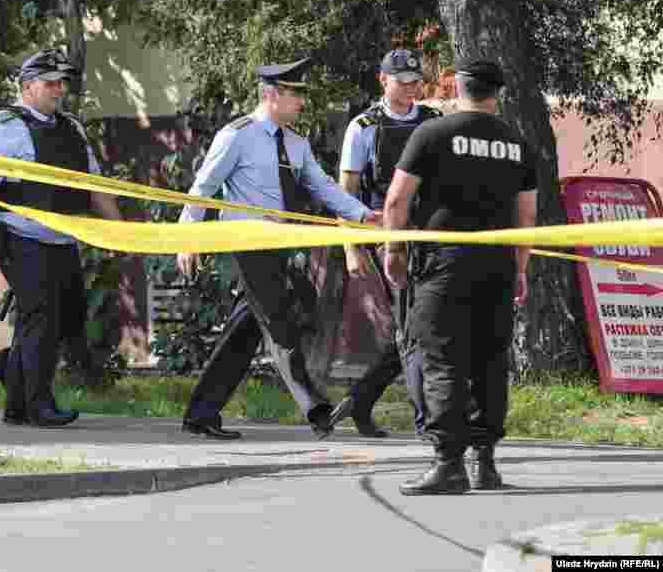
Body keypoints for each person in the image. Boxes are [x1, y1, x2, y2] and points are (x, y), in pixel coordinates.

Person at [176, 58, 381, 440]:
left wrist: (362, 214)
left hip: (280, 248)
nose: (302, 102)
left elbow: (323, 187)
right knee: (279, 322)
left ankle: (201, 413)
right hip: (247, 245)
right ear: (271, 95)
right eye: (295, 94)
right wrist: (188, 240)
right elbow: (203, 188)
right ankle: (317, 409)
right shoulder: (237, 135)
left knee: (246, 329)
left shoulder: (296, 143)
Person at [0, 48, 123, 427]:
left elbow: (93, 185)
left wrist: (118, 231)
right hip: (19, 237)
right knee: (41, 316)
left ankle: (15, 395)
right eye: (50, 83)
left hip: (63, 240)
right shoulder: (2, 127)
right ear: (27, 87)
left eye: (61, 83)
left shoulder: (71, 128)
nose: (59, 90)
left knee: (64, 318)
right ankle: (39, 405)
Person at [383, 59, 537, 494]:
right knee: (490, 362)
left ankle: (448, 464)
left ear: (457, 87)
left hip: (443, 263)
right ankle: (484, 464)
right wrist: (520, 268)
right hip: (498, 263)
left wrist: (394, 250)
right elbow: (527, 216)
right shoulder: (517, 142)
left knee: (443, 360)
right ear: (497, 94)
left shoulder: (432, 133)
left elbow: (396, 201)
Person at [329, 49, 440, 438]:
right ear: (383, 80)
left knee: (421, 323)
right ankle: (429, 422)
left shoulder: (433, 121)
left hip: (429, 234)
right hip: (386, 237)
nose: (410, 88)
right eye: (402, 81)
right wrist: (351, 247)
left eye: (416, 81)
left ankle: (361, 400)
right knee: (413, 326)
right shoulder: (363, 127)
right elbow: (346, 193)